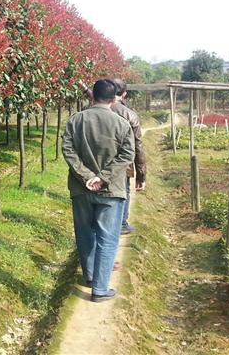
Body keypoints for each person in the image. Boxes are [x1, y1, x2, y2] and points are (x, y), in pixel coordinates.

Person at [63, 79, 135, 302]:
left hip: (81, 189)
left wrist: (86, 176)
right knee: (107, 237)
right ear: (114, 98)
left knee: (85, 234)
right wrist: (103, 178)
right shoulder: (122, 123)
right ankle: (100, 290)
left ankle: (91, 277)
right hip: (110, 190)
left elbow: (68, 150)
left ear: (92, 95)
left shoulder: (75, 121)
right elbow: (127, 155)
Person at [109, 78, 145, 235]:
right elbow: (138, 147)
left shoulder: (91, 109)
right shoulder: (129, 115)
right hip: (123, 164)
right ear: (124, 94)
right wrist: (141, 175)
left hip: (97, 161)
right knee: (124, 191)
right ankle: (121, 223)